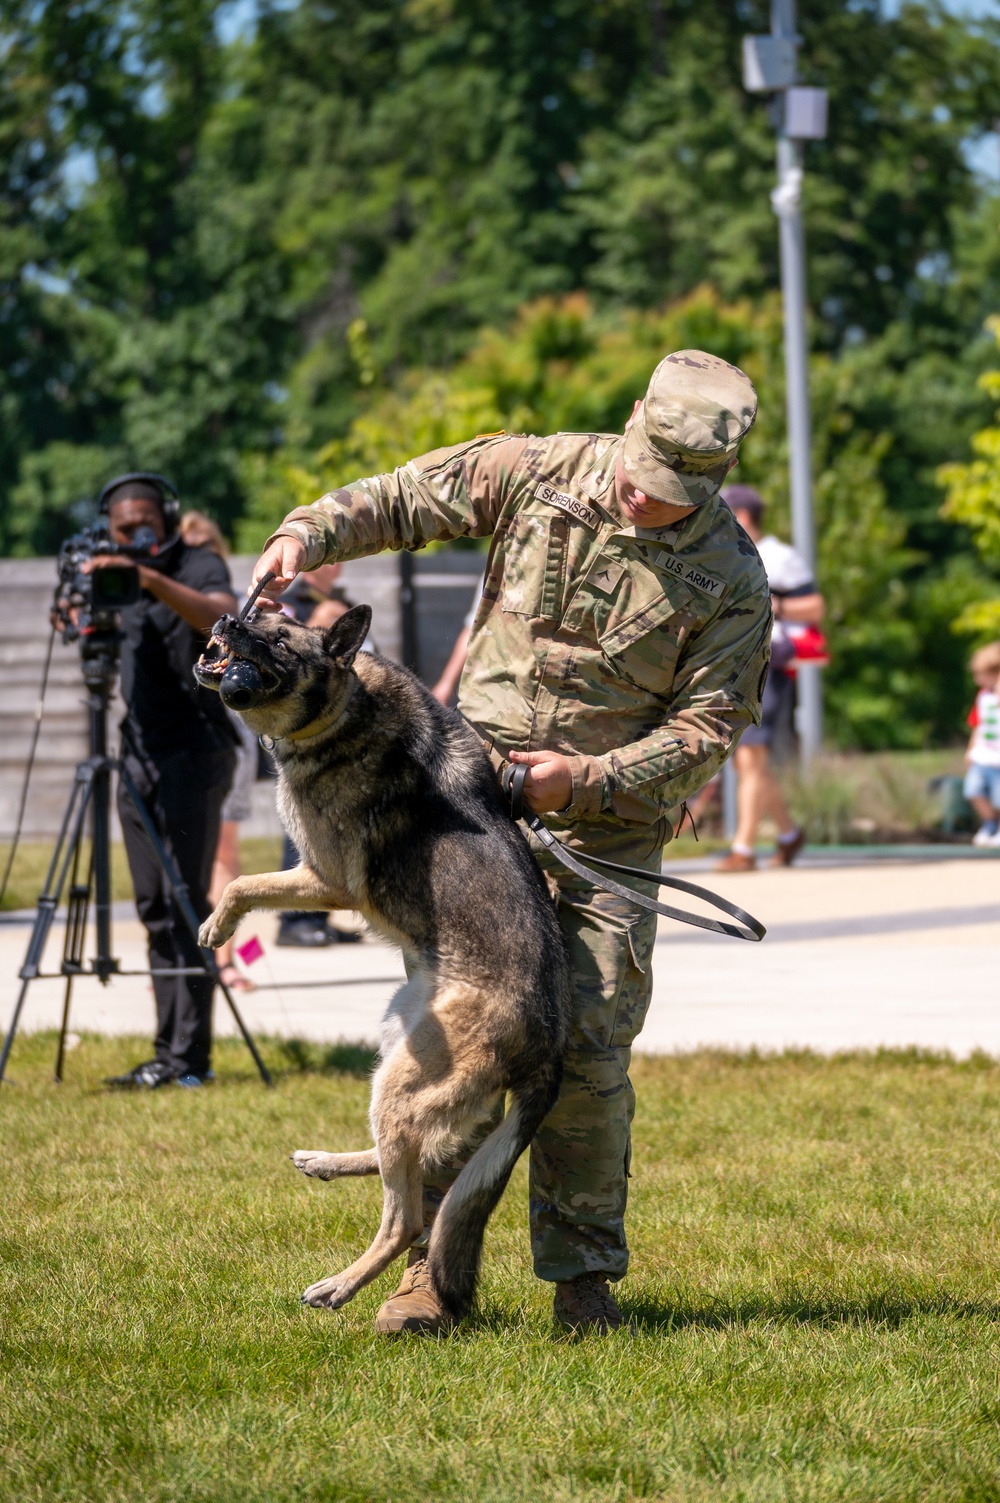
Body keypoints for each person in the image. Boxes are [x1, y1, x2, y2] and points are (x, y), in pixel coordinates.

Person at [250, 350, 772, 1335]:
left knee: (587, 1048)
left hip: (604, 839)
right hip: (468, 813)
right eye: (637, 474)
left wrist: (589, 778)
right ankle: (431, 1281)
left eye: (668, 494)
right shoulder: (540, 470)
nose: (641, 499)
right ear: (628, 425)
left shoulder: (731, 581)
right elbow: (411, 496)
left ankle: (583, 1284)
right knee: (453, 1044)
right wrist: (307, 532)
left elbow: (707, 727)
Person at [90, 475, 238, 1089]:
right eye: (124, 528)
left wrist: (150, 578)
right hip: (138, 753)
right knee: (153, 905)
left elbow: (220, 616)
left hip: (194, 752)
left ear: (168, 516)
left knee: (184, 901)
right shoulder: (110, 571)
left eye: (146, 522)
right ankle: (166, 1052)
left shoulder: (195, 562)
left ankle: (191, 1059)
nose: (136, 535)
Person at [715, 484, 825, 873]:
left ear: (741, 517)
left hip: (768, 664)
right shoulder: (720, 551)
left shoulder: (779, 557)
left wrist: (771, 602)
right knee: (745, 762)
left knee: (752, 755)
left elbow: (814, 607)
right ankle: (788, 833)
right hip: (731, 664)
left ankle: (743, 848)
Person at [179, 510, 258, 990]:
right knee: (186, 850)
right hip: (183, 736)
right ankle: (182, 964)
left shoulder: (234, 614)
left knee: (224, 847)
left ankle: (226, 961)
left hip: (227, 732)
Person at [964, 641, 1000, 847]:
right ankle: (989, 823)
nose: (977, 679)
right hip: (983, 755)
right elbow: (978, 725)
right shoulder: (983, 697)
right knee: (973, 790)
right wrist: (971, 749)